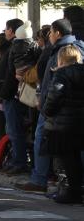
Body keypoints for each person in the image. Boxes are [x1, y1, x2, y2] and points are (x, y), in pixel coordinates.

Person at [16, 19, 84, 192]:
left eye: (51, 33)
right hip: (69, 110)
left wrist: (45, 104)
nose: (50, 36)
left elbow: (56, 83)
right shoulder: (73, 47)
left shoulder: (62, 51)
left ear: (58, 33)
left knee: (51, 144)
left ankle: (43, 180)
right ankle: (69, 186)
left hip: (57, 109)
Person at [41, 44, 84, 204]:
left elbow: (54, 97)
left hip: (63, 124)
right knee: (76, 159)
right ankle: (77, 189)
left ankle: (71, 191)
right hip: (80, 123)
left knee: (67, 159)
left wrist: (46, 111)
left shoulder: (61, 74)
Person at [0, 18, 30, 176]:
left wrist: (3, 92)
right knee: (12, 129)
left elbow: (14, 74)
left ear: (12, 30)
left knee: (14, 129)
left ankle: (19, 162)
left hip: (13, 94)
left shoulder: (18, 46)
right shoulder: (16, 46)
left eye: (6, 28)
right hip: (12, 93)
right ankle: (16, 160)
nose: (5, 31)